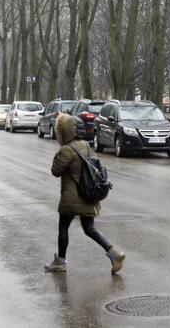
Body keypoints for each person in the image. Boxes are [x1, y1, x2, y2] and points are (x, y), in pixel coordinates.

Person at [45, 113, 125, 274]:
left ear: (63, 132)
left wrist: (59, 151)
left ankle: (60, 262)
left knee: (63, 227)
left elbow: (56, 171)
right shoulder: (84, 145)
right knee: (89, 228)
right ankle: (114, 253)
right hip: (87, 194)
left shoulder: (66, 151)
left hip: (71, 198)